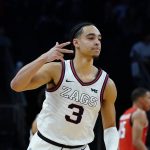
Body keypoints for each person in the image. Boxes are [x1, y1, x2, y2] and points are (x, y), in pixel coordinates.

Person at [10, 22, 119, 150]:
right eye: (91, 38)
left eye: (99, 38)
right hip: (45, 145)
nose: (97, 42)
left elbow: (110, 127)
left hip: (80, 147)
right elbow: (16, 85)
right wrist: (44, 58)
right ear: (76, 42)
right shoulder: (57, 70)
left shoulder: (107, 84)